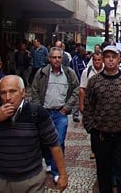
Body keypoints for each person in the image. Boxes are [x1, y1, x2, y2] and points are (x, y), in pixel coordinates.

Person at [0, 75, 68, 192]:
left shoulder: (37, 112)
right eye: (3, 93)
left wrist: (62, 175)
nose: (8, 97)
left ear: (23, 92)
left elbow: (54, 144)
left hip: (31, 181)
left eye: (12, 92)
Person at [83, 45, 121, 193]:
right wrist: (91, 127)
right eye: (107, 57)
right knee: (104, 173)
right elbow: (88, 105)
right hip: (101, 135)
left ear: (118, 59)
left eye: (113, 57)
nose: (110, 60)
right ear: (103, 59)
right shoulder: (94, 81)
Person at [31, 47, 79, 183]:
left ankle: (56, 170)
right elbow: (34, 89)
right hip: (45, 112)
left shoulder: (69, 73)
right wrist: (38, 108)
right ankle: (49, 162)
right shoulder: (42, 73)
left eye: (59, 57)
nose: (57, 60)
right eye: (54, 57)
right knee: (45, 141)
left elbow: (76, 89)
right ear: (49, 59)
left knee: (59, 141)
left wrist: (67, 107)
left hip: (60, 113)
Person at [78, 52, 104, 159]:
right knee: (93, 129)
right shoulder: (87, 72)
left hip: (104, 105)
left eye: (99, 60)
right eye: (95, 60)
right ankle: (94, 149)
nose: (97, 62)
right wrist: (81, 104)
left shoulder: (106, 70)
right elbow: (82, 89)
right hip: (92, 105)